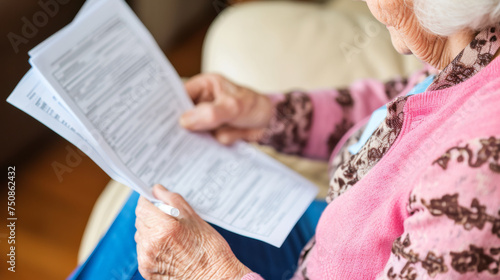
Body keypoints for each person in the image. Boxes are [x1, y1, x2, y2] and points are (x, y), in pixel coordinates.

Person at [74, 0, 500, 279]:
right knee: (167, 201)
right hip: (334, 239)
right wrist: (269, 114)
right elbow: (405, 104)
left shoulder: (475, 173)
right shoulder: (479, 43)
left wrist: (209, 273)